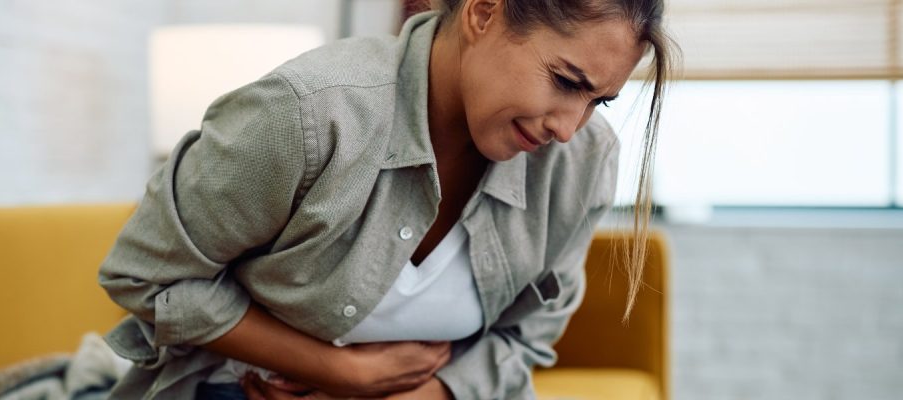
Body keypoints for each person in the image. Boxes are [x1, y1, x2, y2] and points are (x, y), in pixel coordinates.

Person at [98, 0, 676, 398]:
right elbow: (148, 276)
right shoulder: (305, 115)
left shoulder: (582, 163)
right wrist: (336, 371)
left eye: (597, 101)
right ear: (482, 12)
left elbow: (526, 336)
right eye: (566, 81)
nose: (570, 127)